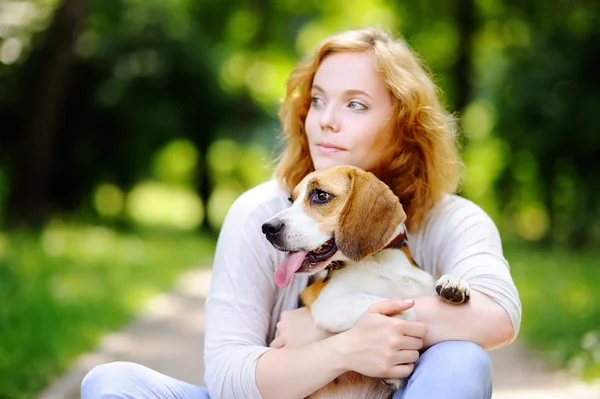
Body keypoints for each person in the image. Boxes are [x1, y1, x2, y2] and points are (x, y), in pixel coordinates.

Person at [81, 26, 521, 399]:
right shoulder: (263, 212)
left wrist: (323, 325)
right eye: (317, 99)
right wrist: (341, 350)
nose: (326, 120)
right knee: (110, 382)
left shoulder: (452, 219)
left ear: (405, 127)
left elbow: (497, 317)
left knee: (460, 358)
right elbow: (226, 376)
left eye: (356, 104)